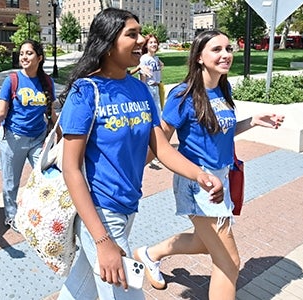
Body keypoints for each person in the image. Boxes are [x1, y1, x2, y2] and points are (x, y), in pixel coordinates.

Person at [56, 9, 223, 300]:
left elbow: (160, 147)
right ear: (108, 43)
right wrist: (102, 240)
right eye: (131, 34)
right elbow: (71, 168)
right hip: (99, 212)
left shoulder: (140, 89)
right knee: (127, 294)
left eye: (140, 33)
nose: (142, 40)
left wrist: (200, 175)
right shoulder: (85, 92)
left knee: (79, 291)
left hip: (128, 204)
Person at [135, 30, 284, 299]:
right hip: (198, 183)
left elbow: (218, 131)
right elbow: (161, 142)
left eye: (228, 48)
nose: (226, 54)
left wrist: (252, 122)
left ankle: (149, 254)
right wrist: (133, 172)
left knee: (203, 243)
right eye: (216, 49)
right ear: (200, 57)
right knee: (229, 262)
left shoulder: (222, 88)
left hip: (222, 178)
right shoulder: (183, 94)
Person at [0, 39, 57, 231]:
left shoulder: (47, 82)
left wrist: (62, 136)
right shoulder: (12, 80)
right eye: (22, 53)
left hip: (38, 139)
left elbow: (52, 114)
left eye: (29, 53)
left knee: (47, 177)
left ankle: (41, 210)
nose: (24, 57)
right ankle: (11, 216)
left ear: (40, 58)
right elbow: (1, 113)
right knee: (11, 182)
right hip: (13, 139)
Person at [138, 34, 164, 114]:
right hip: (149, 87)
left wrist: (161, 65)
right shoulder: (144, 58)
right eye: (151, 42)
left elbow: (159, 70)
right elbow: (143, 75)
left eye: (155, 42)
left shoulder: (156, 58)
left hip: (156, 87)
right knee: (149, 111)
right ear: (146, 45)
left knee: (158, 111)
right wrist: (143, 90)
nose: (154, 44)